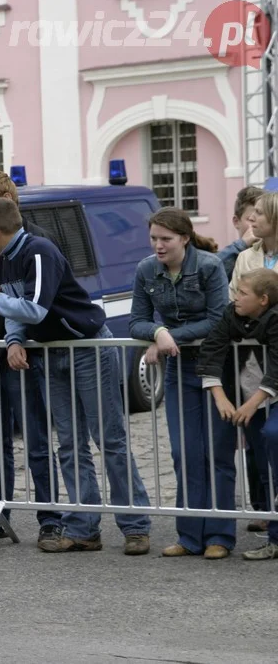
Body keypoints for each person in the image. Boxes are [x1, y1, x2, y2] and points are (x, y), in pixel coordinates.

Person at [0, 197, 152, 555]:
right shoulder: (7, 257)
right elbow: (15, 303)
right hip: (51, 352)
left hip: (87, 348)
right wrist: (14, 339)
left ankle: (135, 525)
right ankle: (83, 527)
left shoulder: (38, 250)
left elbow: (34, 307)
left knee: (109, 438)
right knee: (70, 443)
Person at [0, 170, 63, 548]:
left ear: (5, 199)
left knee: (36, 438)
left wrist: (15, 338)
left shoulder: (35, 241)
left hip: (23, 353)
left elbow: (34, 302)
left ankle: (50, 518)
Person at [130, 208, 231, 558]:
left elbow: (220, 319)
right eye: (154, 238)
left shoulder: (208, 266)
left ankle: (220, 535)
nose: (158, 245)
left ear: (184, 239)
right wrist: (157, 332)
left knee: (216, 451)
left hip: (215, 367)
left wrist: (171, 335)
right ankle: (189, 536)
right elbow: (136, 321)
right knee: (183, 452)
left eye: (166, 239)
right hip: (178, 369)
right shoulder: (146, 269)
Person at [198, 268, 278, 561]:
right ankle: (222, 536)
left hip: (264, 399)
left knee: (268, 459)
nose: (235, 298)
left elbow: (277, 367)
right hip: (238, 396)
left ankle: (275, 535)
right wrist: (220, 397)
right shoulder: (231, 314)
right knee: (227, 458)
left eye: (243, 293)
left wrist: (252, 403)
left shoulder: (275, 318)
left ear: (263, 300)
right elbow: (211, 351)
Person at [229, 191, 278, 531]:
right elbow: (235, 301)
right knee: (260, 442)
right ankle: (265, 509)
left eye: (259, 214)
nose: (252, 219)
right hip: (253, 365)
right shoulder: (246, 257)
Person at [218, 186, 264, 280]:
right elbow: (210, 270)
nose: (257, 223)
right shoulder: (231, 255)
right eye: (251, 219)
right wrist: (241, 244)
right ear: (236, 221)